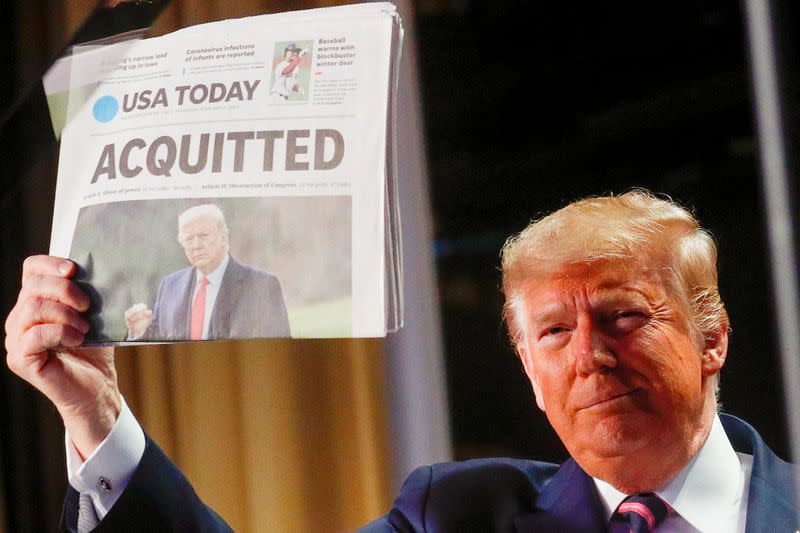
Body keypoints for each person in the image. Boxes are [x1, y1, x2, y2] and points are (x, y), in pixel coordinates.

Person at [3, 191, 797, 532]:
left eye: (623, 316)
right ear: (527, 366)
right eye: (553, 332)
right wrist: (96, 414)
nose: (589, 353)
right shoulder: (449, 514)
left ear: (712, 336)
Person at [124, 204, 291, 341]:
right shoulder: (169, 286)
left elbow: (279, 351)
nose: (196, 245)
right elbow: (155, 345)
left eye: (203, 236)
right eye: (189, 239)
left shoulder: (262, 286)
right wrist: (138, 333)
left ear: (224, 237)